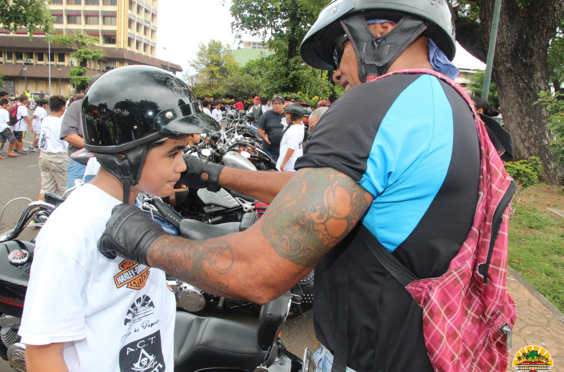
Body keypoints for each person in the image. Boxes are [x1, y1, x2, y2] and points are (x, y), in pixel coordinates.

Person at [98, 1, 481, 370]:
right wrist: (212, 173)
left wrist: (145, 241)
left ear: (382, 29)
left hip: (368, 360)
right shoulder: (451, 105)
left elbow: (258, 271)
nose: (335, 72)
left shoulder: (373, 105)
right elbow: (318, 189)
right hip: (429, 351)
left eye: (337, 48)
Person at [19, 65, 220, 372]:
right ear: (127, 153)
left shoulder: (135, 206)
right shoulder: (72, 230)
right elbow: (42, 356)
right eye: (172, 153)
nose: (182, 166)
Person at [61, 76, 101, 189]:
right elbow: (68, 134)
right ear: (88, 90)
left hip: (106, 166)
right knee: (74, 198)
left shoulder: (111, 107)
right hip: (80, 163)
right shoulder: (77, 106)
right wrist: (94, 147)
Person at [37, 95, 69, 200]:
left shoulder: (45, 119)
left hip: (44, 155)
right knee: (66, 189)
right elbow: (65, 142)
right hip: (57, 157)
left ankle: (38, 212)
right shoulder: (61, 123)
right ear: (63, 108)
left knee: (46, 188)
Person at [473, 97, 514, 161]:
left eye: (470, 108)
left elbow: (500, 155)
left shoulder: (491, 129)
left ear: (480, 111)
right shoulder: (476, 128)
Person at [276, 103, 305, 171]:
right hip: (292, 162)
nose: (285, 116)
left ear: (294, 115)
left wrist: (283, 163)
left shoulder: (294, 130)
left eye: (287, 114)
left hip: (289, 165)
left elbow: (292, 147)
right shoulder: (300, 126)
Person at [257, 94, 286, 160]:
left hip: (283, 151)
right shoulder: (266, 115)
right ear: (272, 104)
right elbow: (259, 129)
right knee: (269, 169)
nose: (277, 105)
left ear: (283, 105)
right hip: (268, 150)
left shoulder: (287, 115)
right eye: (275, 103)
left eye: (279, 103)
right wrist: (264, 137)